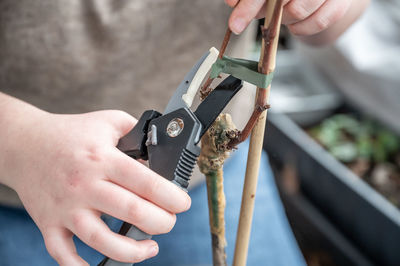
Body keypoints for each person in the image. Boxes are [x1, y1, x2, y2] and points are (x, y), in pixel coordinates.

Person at [0, 0, 369, 265]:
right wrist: (21, 142)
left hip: (218, 174)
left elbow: (333, 22)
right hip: (23, 194)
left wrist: (325, 7)